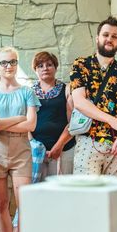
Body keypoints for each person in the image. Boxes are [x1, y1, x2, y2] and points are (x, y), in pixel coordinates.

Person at [0, 46, 39, 232]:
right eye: (4, 62)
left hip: (21, 152)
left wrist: (2, 124)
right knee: (0, 203)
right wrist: (18, 118)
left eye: (12, 61)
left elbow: (31, 125)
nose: (8, 66)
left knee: (25, 204)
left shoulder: (27, 92)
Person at [70, 16, 117, 178]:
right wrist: (112, 120)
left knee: (114, 194)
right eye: (106, 35)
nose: (109, 39)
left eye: (114, 36)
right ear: (97, 38)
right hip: (88, 140)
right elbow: (79, 102)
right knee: (86, 192)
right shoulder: (81, 65)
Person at [30, 51, 74, 179]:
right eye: (40, 66)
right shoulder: (29, 92)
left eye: (49, 65)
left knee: (63, 188)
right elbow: (25, 121)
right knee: (39, 188)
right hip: (36, 150)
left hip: (64, 148)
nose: (45, 68)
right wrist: (33, 144)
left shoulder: (66, 90)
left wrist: (59, 145)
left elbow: (73, 122)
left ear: (55, 67)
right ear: (35, 70)